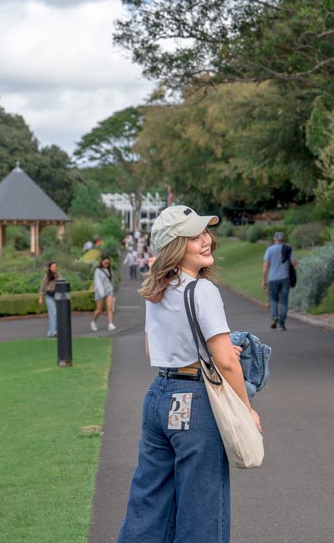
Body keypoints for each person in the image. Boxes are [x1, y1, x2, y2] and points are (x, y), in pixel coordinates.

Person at [117, 205, 261, 543]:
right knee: (202, 506)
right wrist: (247, 409)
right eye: (195, 237)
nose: (207, 240)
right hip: (194, 402)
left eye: (206, 233)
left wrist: (211, 352)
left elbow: (156, 352)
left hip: (159, 397)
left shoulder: (157, 289)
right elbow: (226, 362)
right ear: (176, 246)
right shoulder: (203, 291)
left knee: (150, 500)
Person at [262, 231, 297, 331]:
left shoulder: (270, 250)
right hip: (285, 278)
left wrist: (263, 280)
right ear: (283, 239)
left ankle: (274, 317)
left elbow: (266, 266)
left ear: (274, 240)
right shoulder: (288, 249)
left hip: (273, 279)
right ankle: (282, 324)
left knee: (273, 300)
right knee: (284, 301)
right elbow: (294, 263)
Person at [91, 257, 116, 331]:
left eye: (107, 263)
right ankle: (93, 321)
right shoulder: (98, 271)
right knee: (99, 310)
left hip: (109, 290)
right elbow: (98, 283)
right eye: (105, 263)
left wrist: (112, 289)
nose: (106, 264)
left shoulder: (109, 270)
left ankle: (110, 324)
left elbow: (112, 280)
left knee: (110, 308)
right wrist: (102, 293)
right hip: (100, 292)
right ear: (101, 262)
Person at [38, 262, 61, 337]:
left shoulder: (59, 275)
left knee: (56, 314)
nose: (55, 268)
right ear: (50, 268)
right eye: (53, 266)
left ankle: (51, 331)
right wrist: (40, 298)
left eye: (55, 266)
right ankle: (53, 331)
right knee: (53, 313)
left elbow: (62, 283)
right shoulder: (47, 276)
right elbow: (42, 287)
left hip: (57, 296)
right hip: (49, 296)